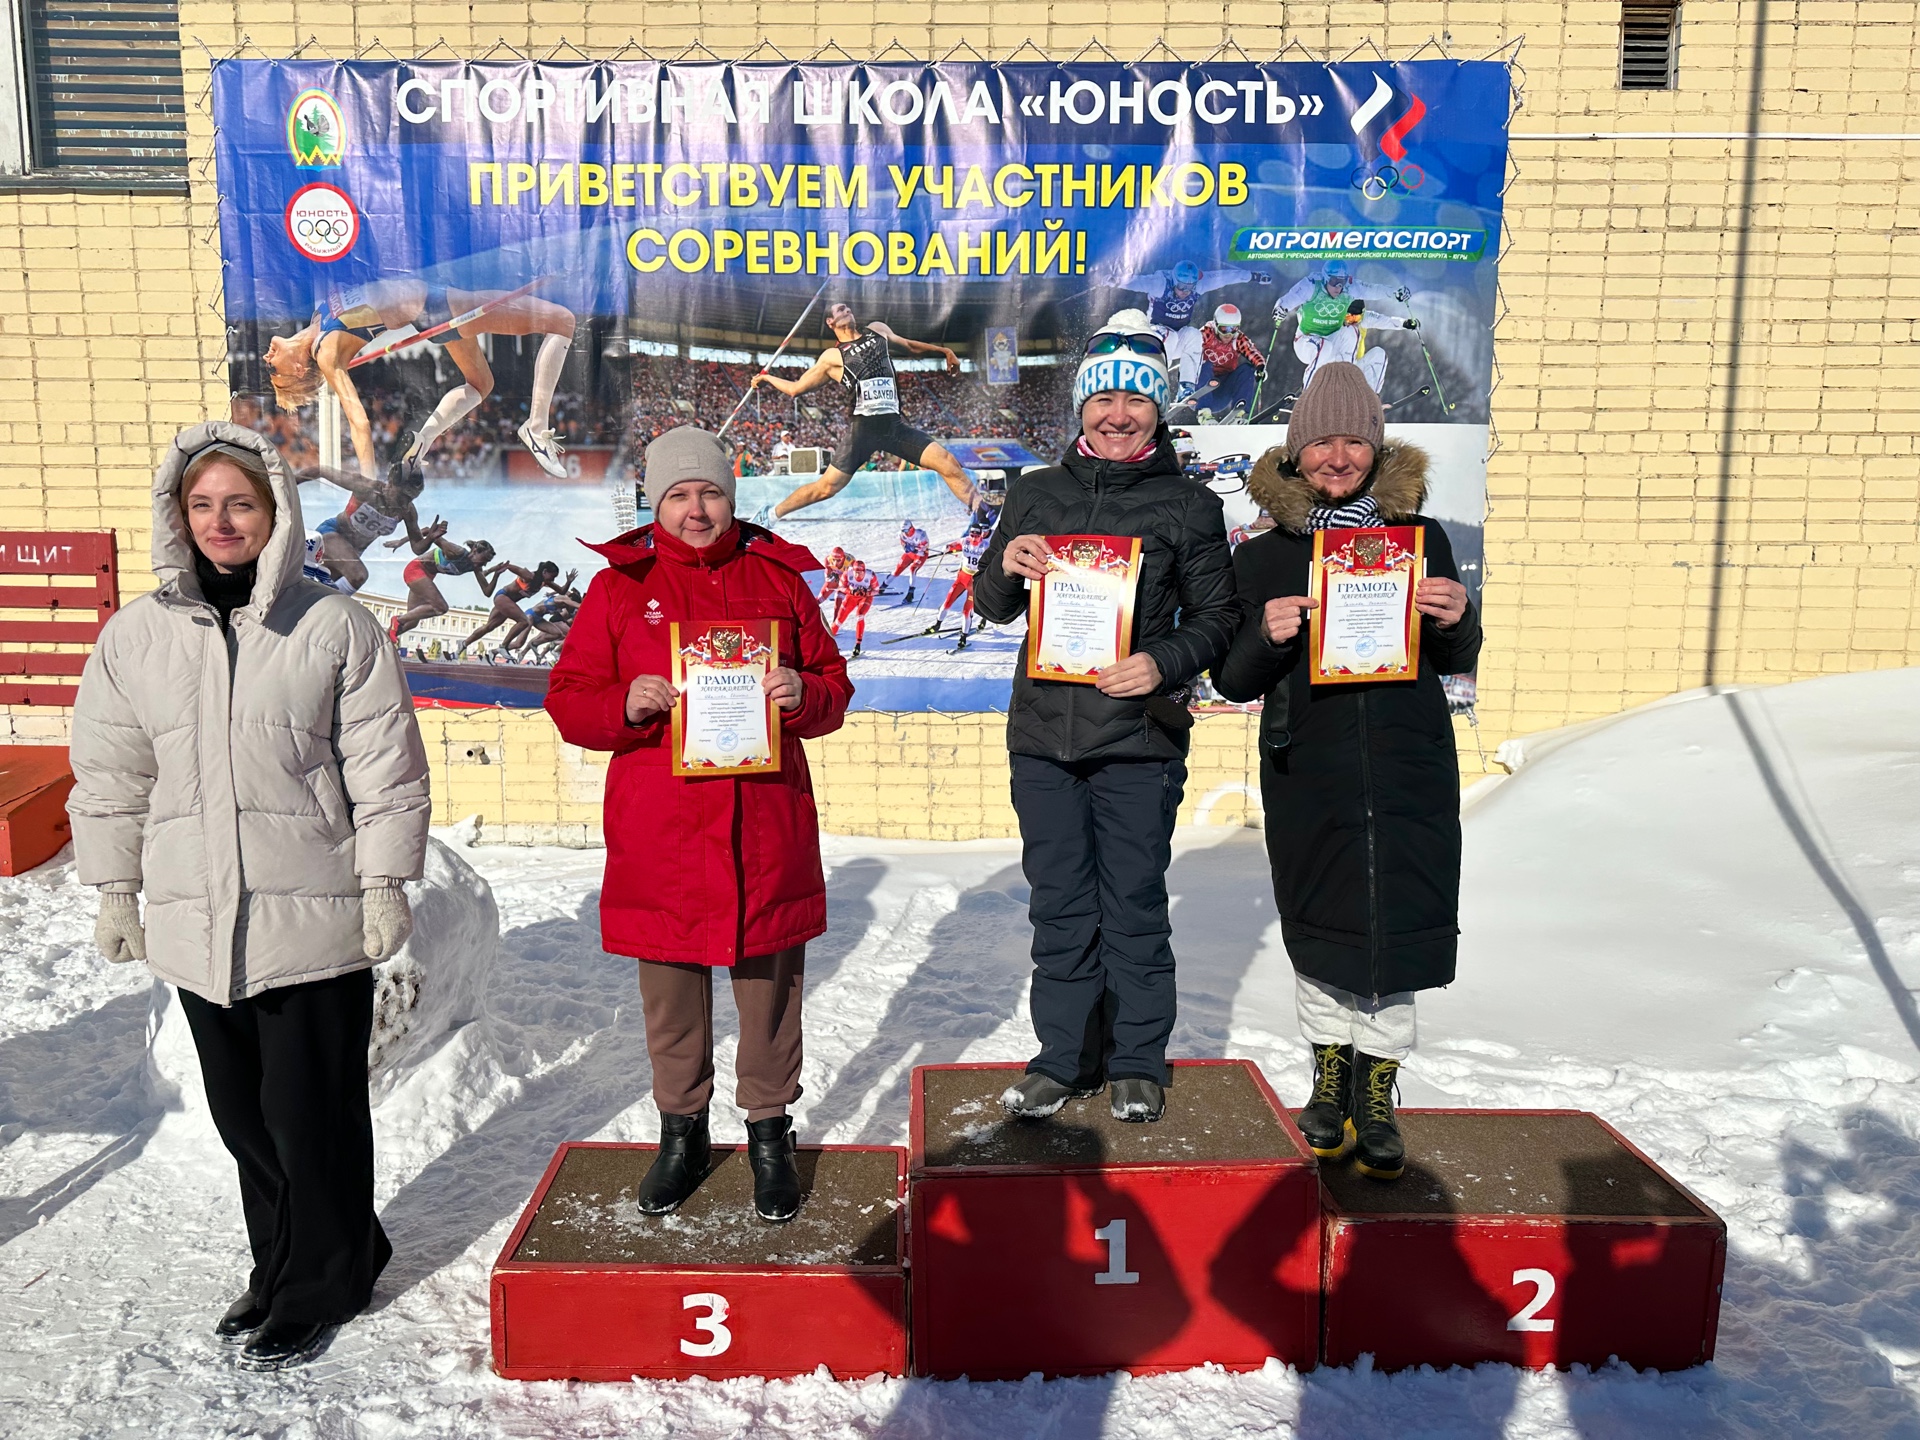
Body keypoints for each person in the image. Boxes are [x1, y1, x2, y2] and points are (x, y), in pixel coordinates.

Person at [68, 423, 430, 1370]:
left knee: (312, 1120)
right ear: (177, 516)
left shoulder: (332, 625)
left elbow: (386, 769)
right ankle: (287, 1264)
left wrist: (384, 881)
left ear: (275, 514)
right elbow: (111, 776)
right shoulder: (135, 637)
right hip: (198, 919)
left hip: (313, 910)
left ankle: (321, 1284)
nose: (220, 521)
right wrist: (117, 890)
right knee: (244, 1121)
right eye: (202, 505)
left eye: (240, 503)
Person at [545, 426, 853, 1222]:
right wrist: (623, 702)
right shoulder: (620, 588)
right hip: (664, 829)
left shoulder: (776, 578)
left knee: (771, 992)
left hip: (764, 822)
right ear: (654, 504)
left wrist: (804, 692)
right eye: (678, 495)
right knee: (672, 996)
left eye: (710, 492)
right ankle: (680, 1134)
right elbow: (569, 698)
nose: (696, 509)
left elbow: (833, 685)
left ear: (731, 497)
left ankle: (769, 1132)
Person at [1209, 362, 1481, 1182]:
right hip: (1310, 766)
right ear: (1296, 452)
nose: (1338, 457)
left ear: (1377, 448)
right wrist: (1266, 635)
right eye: (1321, 441)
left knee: (1398, 921)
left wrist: (1458, 618)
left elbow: (1455, 655)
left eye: (1354, 441)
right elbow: (1233, 680)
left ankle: (1378, 1090)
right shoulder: (1264, 555)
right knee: (1319, 922)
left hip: (1407, 762)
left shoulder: (1420, 539)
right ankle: (1329, 1073)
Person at [972, 319, 1239, 1124]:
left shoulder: (1189, 504)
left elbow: (1219, 618)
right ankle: (1062, 1059)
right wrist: (1007, 562)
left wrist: (1162, 661)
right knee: (1058, 905)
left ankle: (1136, 1061)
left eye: (1137, 400)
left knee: (1132, 903)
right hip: (1043, 739)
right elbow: (993, 605)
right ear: (1082, 406)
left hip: (1137, 739)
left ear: (1159, 410)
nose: (1119, 415)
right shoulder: (1034, 493)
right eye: (1104, 398)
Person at [262, 278, 578, 478]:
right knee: (562, 320)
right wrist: (370, 485)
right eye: (273, 371)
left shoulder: (316, 320)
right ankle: (536, 427)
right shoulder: (326, 353)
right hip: (440, 306)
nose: (266, 360)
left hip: (433, 307)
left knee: (481, 384)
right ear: (299, 369)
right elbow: (359, 423)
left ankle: (422, 441)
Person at [750, 301, 985, 520]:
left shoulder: (877, 330)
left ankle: (982, 515)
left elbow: (909, 345)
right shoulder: (832, 356)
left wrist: (945, 351)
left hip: (894, 428)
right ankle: (770, 515)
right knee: (825, 488)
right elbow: (795, 389)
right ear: (830, 322)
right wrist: (767, 378)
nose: (847, 310)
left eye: (847, 308)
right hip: (863, 431)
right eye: (840, 310)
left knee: (946, 461)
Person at [1112, 262, 1269, 400]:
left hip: (1177, 339)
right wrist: (1108, 278)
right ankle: (1151, 381)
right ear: (1174, 280)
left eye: (1190, 287)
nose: (1185, 292)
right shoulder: (1160, 283)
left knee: (1194, 335)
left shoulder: (1201, 283)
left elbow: (1226, 277)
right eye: (1181, 287)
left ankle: (1186, 387)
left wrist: (1253, 276)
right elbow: (1133, 281)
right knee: (1170, 336)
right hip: (1154, 336)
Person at [1272, 261, 1417, 394]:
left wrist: (1394, 292)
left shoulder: (1350, 288)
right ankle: (1310, 394)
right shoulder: (1311, 285)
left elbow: (1373, 290)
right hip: (1306, 342)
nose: (1338, 287)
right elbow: (1291, 297)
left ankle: (1347, 387)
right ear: (1325, 279)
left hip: (1332, 342)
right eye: (1334, 282)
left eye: (1342, 282)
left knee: (1351, 331)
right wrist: (1281, 308)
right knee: (1324, 347)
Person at [300, 460, 430, 594]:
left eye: (411, 498)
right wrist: (290, 485)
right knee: (359, 575)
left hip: (353, 553)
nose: (405, 503)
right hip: (331, 534)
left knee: (318, 589)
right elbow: (321, 471)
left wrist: (431, 538)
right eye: (402, 496)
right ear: (390, 483)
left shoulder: (407, 511)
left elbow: (417, 547)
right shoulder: (366, 488)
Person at [385, 532, 498, 643]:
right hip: (415, 569)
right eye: (482, 560)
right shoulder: (456, 551)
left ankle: (383, 640)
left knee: (412, 622)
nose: (482, 565)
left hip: (426, 577)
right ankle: (398, 620)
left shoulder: (475, 567)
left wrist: (496, 575)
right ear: (474, 551)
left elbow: (487, 591)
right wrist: (401, 541)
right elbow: (428, 531)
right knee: (441, 607)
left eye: (486, 562)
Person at [455, 559, 575, 658]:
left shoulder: (544, 582)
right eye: (552, 576)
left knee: (489, 627)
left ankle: (464, 643)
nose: (553, 580)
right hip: (503, 596)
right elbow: (508, 566)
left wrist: (568, 582)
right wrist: (489, 571)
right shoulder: (528, 575)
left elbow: (562, 591)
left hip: (509, 602)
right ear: (544, 572)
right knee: (524, 621)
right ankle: (503, 647)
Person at [925, 512, 997, 647]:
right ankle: (937, 625)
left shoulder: (985, 545)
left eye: (977, 534)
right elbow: (954, 544)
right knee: (947, 602)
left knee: (966, 610)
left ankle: (963, 637)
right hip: (962, 578)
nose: (974, 537)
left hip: (974, 581)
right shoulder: (965, 541)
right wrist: (948, 547)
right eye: (972, 534)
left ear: (981, 534)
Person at [1189, 305, 1267, 422]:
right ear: (1216, 325)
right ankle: (1204, 413)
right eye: (1224, 329)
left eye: (1233, 329)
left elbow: (1252, 351)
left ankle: (1239, 414)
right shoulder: (1207, 333)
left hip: (1222, 390)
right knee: (1206, 365)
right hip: (1201, 389)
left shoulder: (1237, 338)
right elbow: (1188, 349)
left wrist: (1260, 367)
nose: (1228, 334)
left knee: (1247, 369)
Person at [830, 558, 879, 657]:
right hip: (852, 597)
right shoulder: (847, 573)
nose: (857, 575)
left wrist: (867, 592)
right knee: (839, 620)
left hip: (865, 597)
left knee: (860, 615)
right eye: (855, 572)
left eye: (859, 573)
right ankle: (827, 641)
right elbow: (841, 587)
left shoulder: (870, 575)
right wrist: (851, 591)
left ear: (864, 571)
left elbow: (877, 590)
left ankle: (858, 644)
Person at [892, 520, 931, 602]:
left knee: (912, 569)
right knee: (898, 568)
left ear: (911, 528)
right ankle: (882, 587)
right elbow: (904, 546)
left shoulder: (921, 534)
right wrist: (907, 547)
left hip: (921, 555)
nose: (905, 533)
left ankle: (910, 594)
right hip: (911, 554)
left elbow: (924, 548)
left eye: (906, 530)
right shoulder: (902, 534)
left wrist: (915, 549)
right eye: (903, 531)